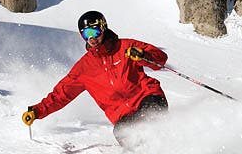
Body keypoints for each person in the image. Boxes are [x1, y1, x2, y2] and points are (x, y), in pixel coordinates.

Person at [21, 10, 169, 146]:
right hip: (122, 115)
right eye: (86, 34)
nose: (91, 38)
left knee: (148, 117)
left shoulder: (125, 47)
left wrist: (143, 55)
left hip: (148, 97)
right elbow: (61, 95)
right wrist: (37, 111)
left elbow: (160, 59)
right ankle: (144, 153)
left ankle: (166, 144)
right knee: (122, 132)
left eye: (95, 31)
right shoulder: (84, 68)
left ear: (103, 28)